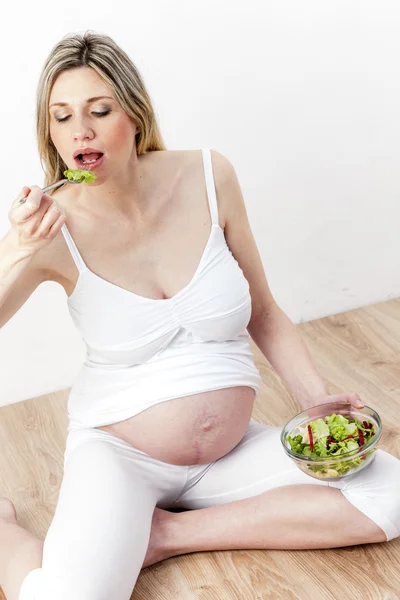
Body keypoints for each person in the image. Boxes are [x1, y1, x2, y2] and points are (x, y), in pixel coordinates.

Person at [0, 30, 399, 600]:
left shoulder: (210, 176)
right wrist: (14, 249)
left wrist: (314, 399)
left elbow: (263, 309)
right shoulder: (50, 227)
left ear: (134, 113)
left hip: (229, 453)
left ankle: (167, 534)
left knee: (389, 493)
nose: (79, 131)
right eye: (61, 118)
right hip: (122, 458)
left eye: (99, 110)